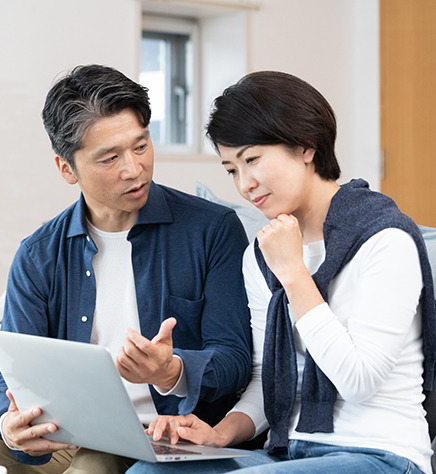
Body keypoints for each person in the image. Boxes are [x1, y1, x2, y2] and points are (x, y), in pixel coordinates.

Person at [0, 64, 252, 474]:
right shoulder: (39, 254)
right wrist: (8, 424)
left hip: (162, 434)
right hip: (69, 431)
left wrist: (172, 371)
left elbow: (236, 359)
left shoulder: (212, 230)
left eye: (140, 146)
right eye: (109, 157)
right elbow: (6, 375)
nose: (133, 169)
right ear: (67, 169)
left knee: (92, 468)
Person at [126, 71, 436, 474]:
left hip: (380, 454)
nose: (245, 184)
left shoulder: (386, 240)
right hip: (287, 452)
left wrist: (293, 274)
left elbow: (358, 381)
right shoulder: (261, 254)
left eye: (252, 159)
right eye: (232, 169)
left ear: (306, 146)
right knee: (149, 472)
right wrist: (220, 434)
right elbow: (267, 380)